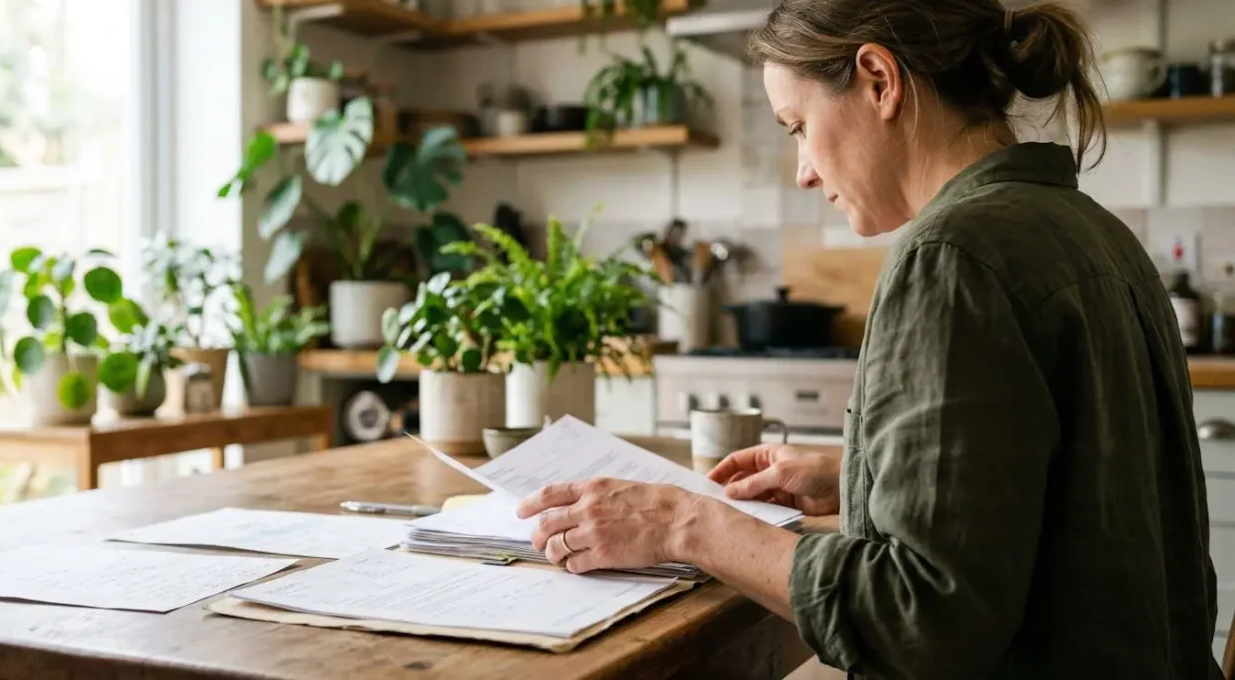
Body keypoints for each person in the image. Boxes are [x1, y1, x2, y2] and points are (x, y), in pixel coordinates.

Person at [516, 1, 1223, 678]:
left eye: (796, 125)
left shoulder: (953, 254)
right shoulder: (1094, 231)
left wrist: (684, 526)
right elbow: (1059, 493)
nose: (802, 171)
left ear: (879, 80)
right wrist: (857, 472)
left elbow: (919, 619)